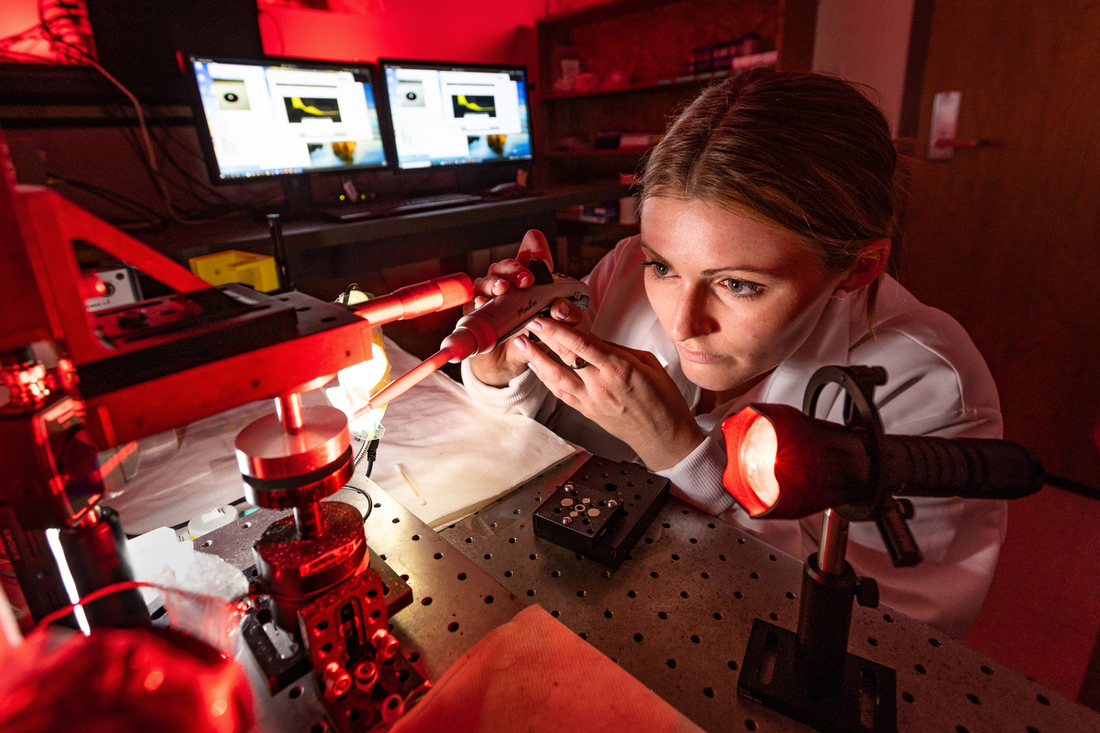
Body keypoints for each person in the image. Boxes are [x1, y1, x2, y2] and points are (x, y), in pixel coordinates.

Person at [460, 68, 1004, 639]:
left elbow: (894, 638)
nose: (681, 323)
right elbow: (544, 435)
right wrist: (502, 374)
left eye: (739, 284)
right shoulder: (624, 266)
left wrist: (682, 454)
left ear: (859, 266)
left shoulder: (931, 385)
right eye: (663, 267)